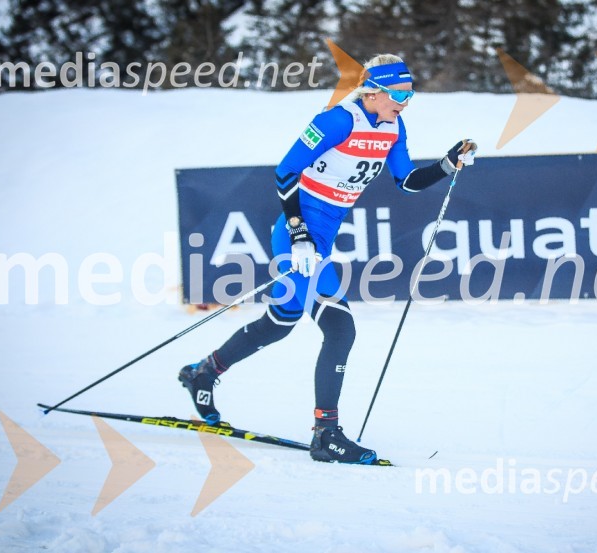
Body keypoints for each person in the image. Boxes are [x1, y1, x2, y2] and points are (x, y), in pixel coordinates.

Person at [179, 53, 476, 465]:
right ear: (373, 92)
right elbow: (284, 173)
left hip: (322, 240)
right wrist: (299, 234)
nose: (405, 102)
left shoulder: (394, 126)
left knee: (303, 324)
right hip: (296, 233)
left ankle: (205, 373)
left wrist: (447, 164)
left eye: (411, 94)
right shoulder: (338, 120)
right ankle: (324, 433)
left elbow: (405, 181)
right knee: (318, 325)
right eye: (398, 94)